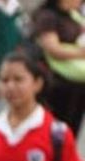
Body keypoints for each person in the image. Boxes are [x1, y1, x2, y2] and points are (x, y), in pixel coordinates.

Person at [32, 0, 85, 135]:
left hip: (77, 85)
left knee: (70, 131)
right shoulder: (48, 16)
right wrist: (80, 53)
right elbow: (53, 48)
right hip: (57, 84)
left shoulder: (74, 15)